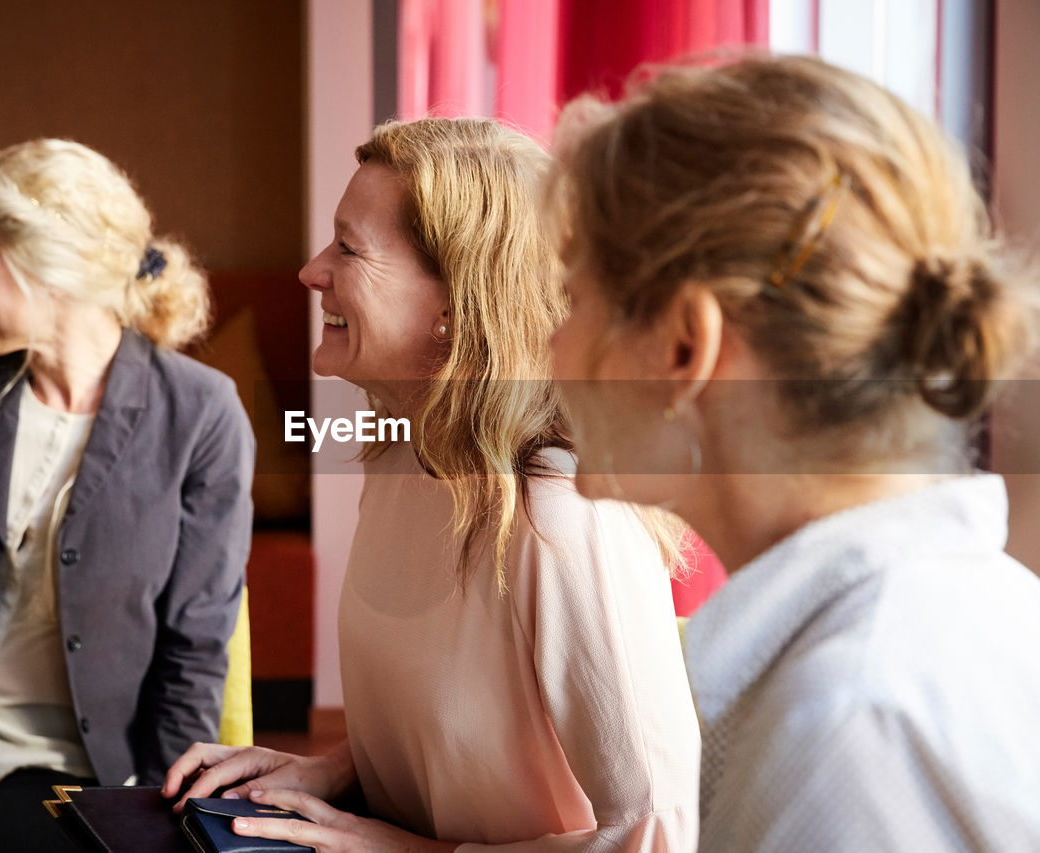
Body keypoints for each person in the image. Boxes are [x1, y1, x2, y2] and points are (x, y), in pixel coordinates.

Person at [546, 54, 1040, 851]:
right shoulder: (978, 618)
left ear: (685, 345)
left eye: (571, 299)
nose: (548, 344)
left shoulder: (847, 724)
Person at [163, 117, 700, 851]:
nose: (312, 270)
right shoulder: (398, 456)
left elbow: (661, 834)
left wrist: (402, 850)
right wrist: (332, 771)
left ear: (455, 305)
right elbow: (468, 719)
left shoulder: (566, 521)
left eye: (348, 248)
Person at [0, 138, 254, 852]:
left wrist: (158, 807)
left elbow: (195, 644)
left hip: (94, 766)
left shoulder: (202, 413)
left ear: (50, 275)